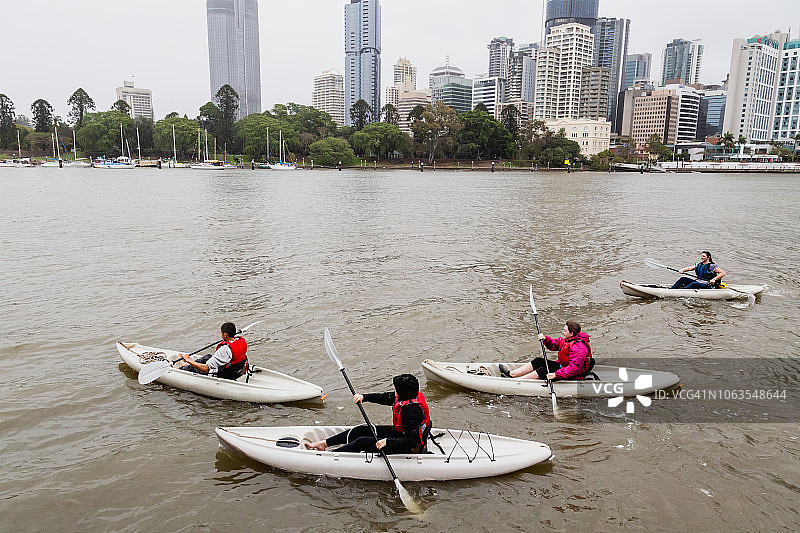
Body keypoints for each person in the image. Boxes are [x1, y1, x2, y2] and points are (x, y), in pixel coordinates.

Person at [305, 374, 431, 454]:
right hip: (400, 435)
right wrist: (363, 397)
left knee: (362, 442)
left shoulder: (410, 412)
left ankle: (329, 457)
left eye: (396, 388)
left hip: (409, 447)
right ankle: (323, 444)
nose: (393, 388)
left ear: (403, 392)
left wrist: (388, 442)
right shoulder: (408, 395)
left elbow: (412, 441)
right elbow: (385, 398)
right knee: (360, 430)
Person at [499, 321, 592, 381]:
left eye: (564, 331)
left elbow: (574, 368)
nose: (562, 332)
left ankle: (517, 382)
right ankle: (511, 374)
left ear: (571, 333)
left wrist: (556, 375)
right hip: (563, 367)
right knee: (539, 361)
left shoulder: (579, 348)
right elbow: (553, 344)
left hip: (574, 374)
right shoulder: (567, 340)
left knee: (543, 371)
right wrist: (545, 339)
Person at [177, 322, 248, 380]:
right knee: (207, 357)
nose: (221, 335)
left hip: (224, 373)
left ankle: (183, 367)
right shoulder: (240, 341)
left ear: (225, 335)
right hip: (235, 369)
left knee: (198, 368)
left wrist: (188, 360)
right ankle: (187, 365)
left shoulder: (224, 350)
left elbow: (205, 368)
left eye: (221, 333)